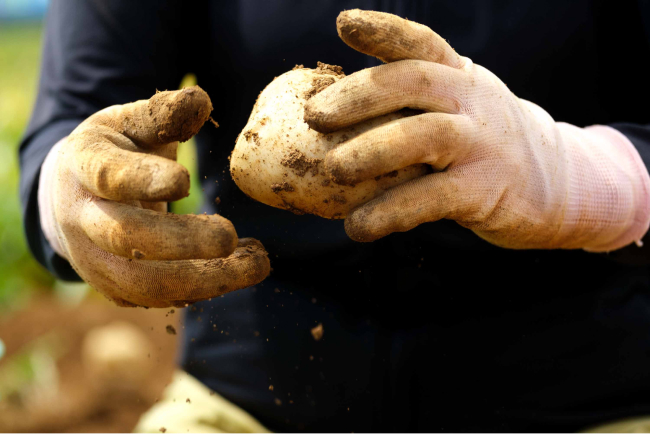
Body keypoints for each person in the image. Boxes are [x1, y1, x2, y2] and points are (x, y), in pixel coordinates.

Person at [19, 0, 650, 432]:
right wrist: (70, 193)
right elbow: (74, 112)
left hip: (583, 398)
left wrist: (580, 178)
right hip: (255, 401)